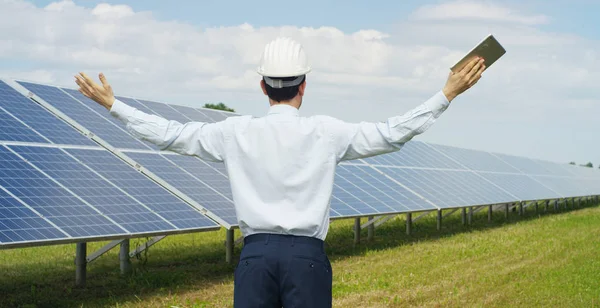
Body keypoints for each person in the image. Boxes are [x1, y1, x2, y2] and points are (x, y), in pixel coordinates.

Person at [75, 37, 485, 308]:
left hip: (255, 257)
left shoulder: (235, 132)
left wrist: (115, 105)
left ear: (263, 87)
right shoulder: (327, 132)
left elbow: (170, 135)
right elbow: (392, 134)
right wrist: (446, 93)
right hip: (307, 259)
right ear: (303, 86)